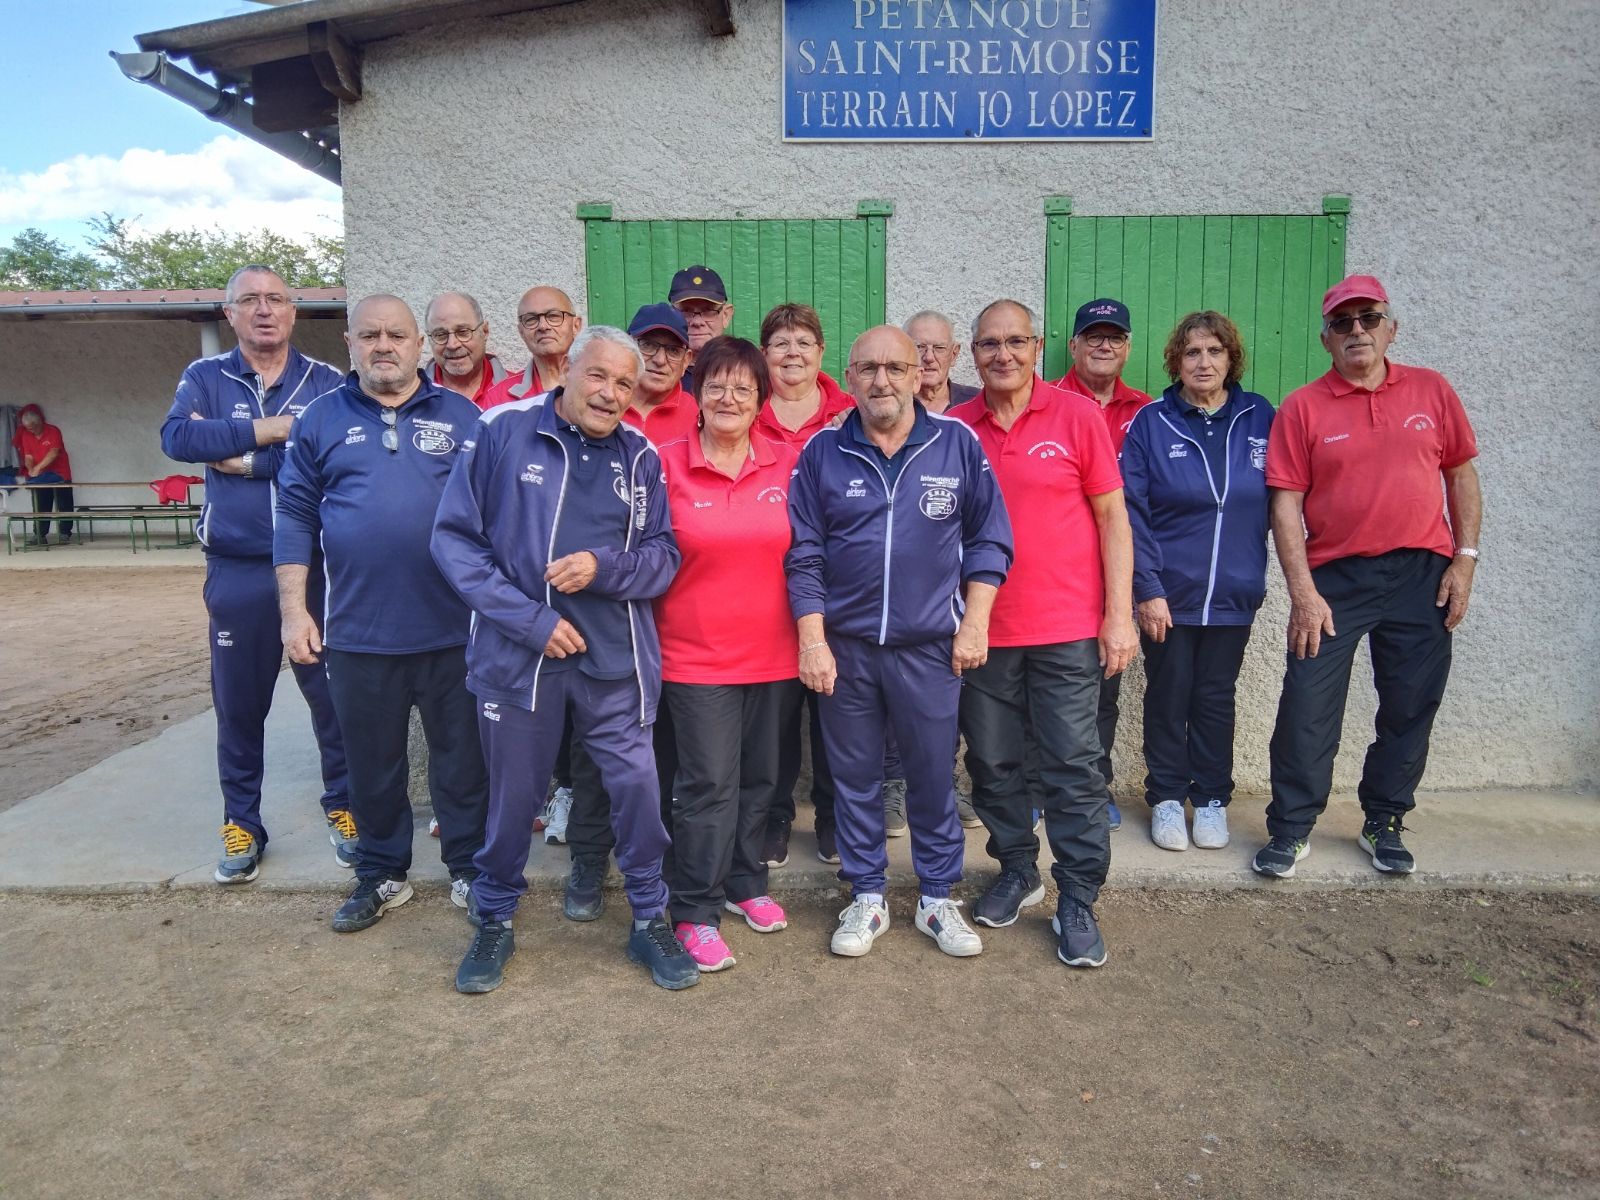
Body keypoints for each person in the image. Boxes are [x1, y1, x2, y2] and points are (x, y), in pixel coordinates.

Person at [431, 325, 696, 994]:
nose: (610, 393)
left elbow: (664, 558)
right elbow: (455, 544)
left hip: (614, 660)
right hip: (522, 660)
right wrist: (531, 620)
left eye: (625, 384)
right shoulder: (502, 430)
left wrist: (604, 568)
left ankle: (648, 919)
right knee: (514, 799)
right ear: (569, 370)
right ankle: (494, 920)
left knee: (637, 792)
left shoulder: (640, 456)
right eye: (599, 376)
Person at [787, 324, 1013, 959]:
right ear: (850, 377)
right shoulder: (823, 453)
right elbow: (803, 554)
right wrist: (813, 639)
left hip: (929, 649)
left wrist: (974, 622)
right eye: (867, 369)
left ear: (921, 374)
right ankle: (866, 895)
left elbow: (990, 540)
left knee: (932, 776)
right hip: (848, 649)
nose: (881, 381)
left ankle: (938, 897)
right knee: (854, 777)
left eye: (895, 367)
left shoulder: (957, 445)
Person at [274, 294, 489, 932]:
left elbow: (496, 517)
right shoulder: (319, 419)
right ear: (350, 342)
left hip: (454, 631)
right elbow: (293, 518)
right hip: (359, 634)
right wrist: (295, 613)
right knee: (371, 765)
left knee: (462, 762)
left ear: (419, 343)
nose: (384, 345)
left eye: (396, 334)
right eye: (370, 335)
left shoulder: (464, 417)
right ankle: (382, 873)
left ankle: (469, 869)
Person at [1255, 275, 1482, 879]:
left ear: (1390, 328)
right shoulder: (1304, 406)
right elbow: (1285, 504)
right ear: (1325, 338)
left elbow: (1460, 475)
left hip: (1422, 574)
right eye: (1342, 322)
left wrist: (1466, 559)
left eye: (1368, 318)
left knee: (1409, 705)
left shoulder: (1432, 391)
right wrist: (1302, 592)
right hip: (1335, 578)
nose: (1357, 330)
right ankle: (1292, 827)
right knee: (1308, 703)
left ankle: (1384, 820)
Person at [949, 299, 1136, 969]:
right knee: (993, 764)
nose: (1003, 354)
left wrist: (1119, 616)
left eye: (1016, 342)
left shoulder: (1078, 416)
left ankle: (1078, 899)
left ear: (1038, 345)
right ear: (974, 354)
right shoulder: (955, 430)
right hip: (983, 633)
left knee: (1073, 767)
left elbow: (1114, 521)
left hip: (1065, 631)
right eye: (990, 344)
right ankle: (1018, 869)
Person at [159, 264, 351, 885]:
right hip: (237, 570)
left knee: (332, 699)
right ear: (230, 314)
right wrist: (271, 432)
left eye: (275, 299)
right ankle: (241, 820)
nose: (264, 310)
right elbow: (176, 440)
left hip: (316, 571)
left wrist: (238, 458)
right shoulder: (204, 377)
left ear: (294, 312)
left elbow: (329, 458)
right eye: (250, 301)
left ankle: (344, 807)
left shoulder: (326, 385)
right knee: (239, 704)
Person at [653, 336, 800, 971]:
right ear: (697, 393)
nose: (729, 396)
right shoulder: (663, 464)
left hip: (775, 656)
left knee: (762, 782)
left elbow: (812, 554)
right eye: (716, 384)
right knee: (708, 785)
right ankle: (693, 908)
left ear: (762, 398)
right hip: (694, 659)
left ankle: (744, 884)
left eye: (744, 386)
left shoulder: (789, 463)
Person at [1120, 312, 1274, 853]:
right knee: (1168, 695)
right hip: (1171, 595)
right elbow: (1131, 512)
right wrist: (1147, 588)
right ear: (1176, 362)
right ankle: (1165, 796)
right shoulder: (1151, 423)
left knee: (1215, 697)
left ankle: (1210, 800)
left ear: (1231, 359)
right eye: (1192, 353)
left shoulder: (1259, 417)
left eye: (1214, 351)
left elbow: (1285, 497)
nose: (1203, 362)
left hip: (1234, 592)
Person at [754, 303, 858, 868]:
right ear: (764, 352)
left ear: (821, 352)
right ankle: (773, 817)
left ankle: (833, 817)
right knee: (773, 719)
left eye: (803, 342)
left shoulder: (848, 412)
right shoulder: (747, 410)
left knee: (836, 711)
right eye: (779, 343)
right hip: (764, 589)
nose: (792, 353)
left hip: (837, 588)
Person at [1054, 297, 1154, 833]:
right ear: (1073, 345)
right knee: (1036, 688)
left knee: (1103, 686)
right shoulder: (1048, 402)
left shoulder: (1148, 411)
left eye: (1114, 336)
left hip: (1116, 565)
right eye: (1092, 335)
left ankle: (1094, 785)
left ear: (1128, 346)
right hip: (1057, 569)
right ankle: (1037, 790)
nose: (1103, 344)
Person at [479, 286, 583, 410]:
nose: (543, 326)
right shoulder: (499, 399)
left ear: (576, 325)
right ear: (521, 332)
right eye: (531, 319)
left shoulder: (598, 388)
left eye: (554, 316)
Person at [621, 303, 699, 445]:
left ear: (686, 361)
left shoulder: (698, 416)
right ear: (626, 347)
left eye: (673, 351)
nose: (660, 360)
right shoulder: (605, 403)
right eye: (648, 345)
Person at [423, 291, 511, 406]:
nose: (452, 345)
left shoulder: (517, 393)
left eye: (463, 332)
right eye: (440, 335)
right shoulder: (411, 397)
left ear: (484, 331)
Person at [12, 403, 74, 546]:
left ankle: (65, 533)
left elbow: (53, 452)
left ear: (39, 422)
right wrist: (30, 469)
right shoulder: (26, 434)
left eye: (33, 427)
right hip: (40, 476)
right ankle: (40, 535)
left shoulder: (53, 431)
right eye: (28, 428)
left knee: (64, 503)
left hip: (60, 472)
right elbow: (28, 456)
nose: (31, 431)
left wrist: (38, 468)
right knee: (40, 504)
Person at [670, 265, 735, 394]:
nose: (697, 322)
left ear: (726, 315)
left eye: (708, 311)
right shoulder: (658, 374)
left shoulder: (743, 370)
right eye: (686, 311)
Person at [904, 310, 978, 414]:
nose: (929, 358)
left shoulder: (976, 402)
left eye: (939, 348)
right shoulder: (892, 404)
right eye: (919, 347)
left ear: (954, 354)